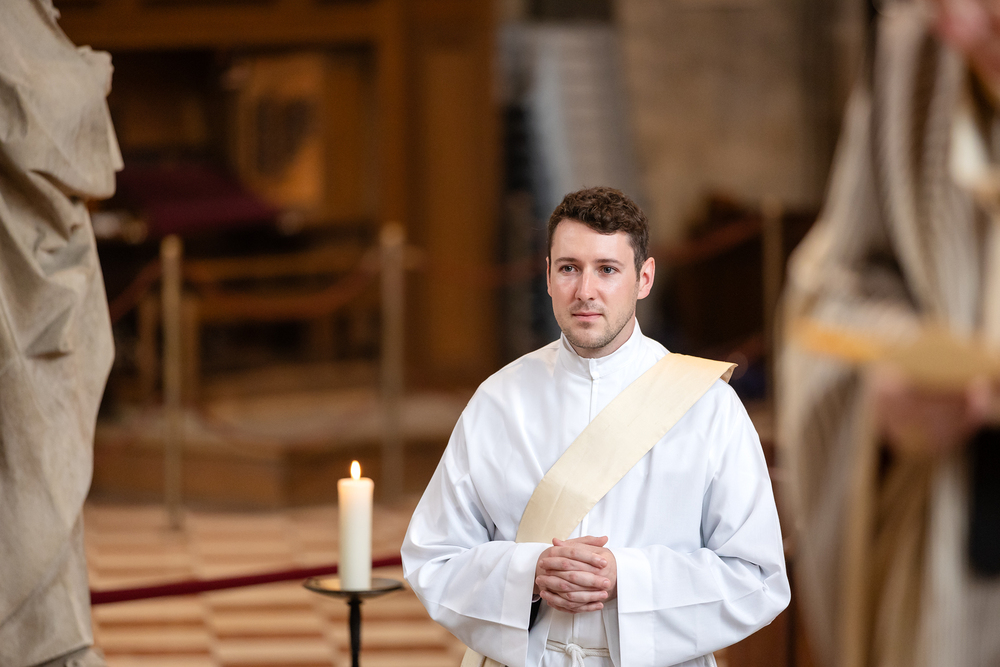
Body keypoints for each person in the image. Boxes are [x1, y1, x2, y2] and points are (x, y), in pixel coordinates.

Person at [402, 186, 789, 667]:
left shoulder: (710, 408)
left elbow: (758, 578)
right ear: (547, 275)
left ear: (644, 278)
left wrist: (626, 577)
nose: (585, 291)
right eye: (569, 268)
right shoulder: (499, 401)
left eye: (607, 269)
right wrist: (528, 573)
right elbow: (434, 557)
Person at [779, 1, 1000, 666]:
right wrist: (886, 378)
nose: (960, 24)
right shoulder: (921, 59)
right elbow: (837, 287)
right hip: (961, 561)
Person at [0, 2, 122, 665]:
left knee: (43, 463)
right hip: (19, 290)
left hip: (36, 267)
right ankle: (41, 639)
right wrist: (86, 78)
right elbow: (30, 119)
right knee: (33, 461)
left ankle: (50, 635)